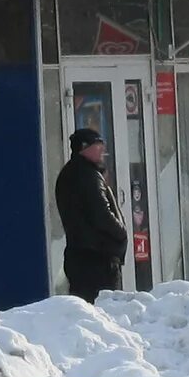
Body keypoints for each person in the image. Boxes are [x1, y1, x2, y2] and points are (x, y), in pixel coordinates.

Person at [55, 128, 130, 299]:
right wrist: (121, 233)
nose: (103, 149)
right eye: (98, 145)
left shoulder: (73, 173)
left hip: (81, 257)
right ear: (84, 148)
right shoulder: (87, 175)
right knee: (103, 312)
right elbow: (102, 214)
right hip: (96, 260)